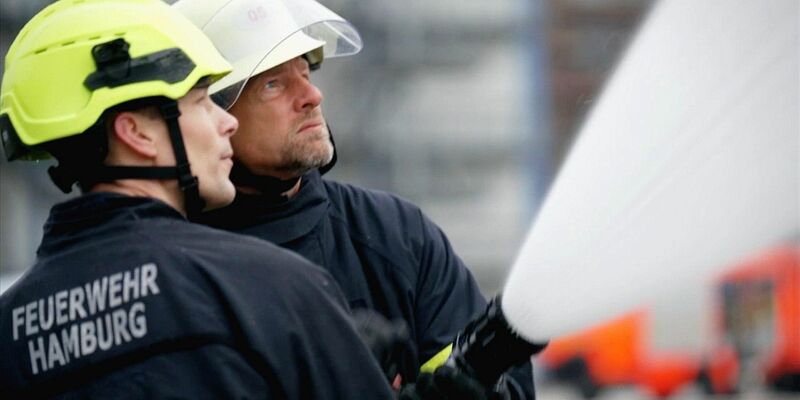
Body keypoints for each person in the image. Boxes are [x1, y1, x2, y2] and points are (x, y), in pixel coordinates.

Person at [0, 0, 394, 398]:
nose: (228, 121)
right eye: (203, 101)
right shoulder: (267, 286)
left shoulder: (9, 328)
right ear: (136, 133)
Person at [173, 0, 538, 397]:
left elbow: (506, 387)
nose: (311, 95)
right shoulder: (172, 263)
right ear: (209, 113)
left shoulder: (393, 235)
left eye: (306, 70)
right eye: (272, 84)